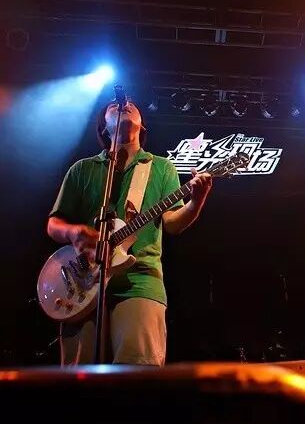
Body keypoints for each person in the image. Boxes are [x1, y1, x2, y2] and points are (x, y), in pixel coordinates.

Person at [47, 98, 213, 365]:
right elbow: (54, 224)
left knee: (137, 374)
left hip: (140, 281)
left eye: (130, 105)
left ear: (141, 125)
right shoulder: (83, 169)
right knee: (79, 377)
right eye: (113, 105)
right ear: (104, 128)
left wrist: (196, 201)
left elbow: (173, 223)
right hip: (82, 283)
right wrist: (74, 232)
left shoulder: (162, 167)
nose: (122, 104)